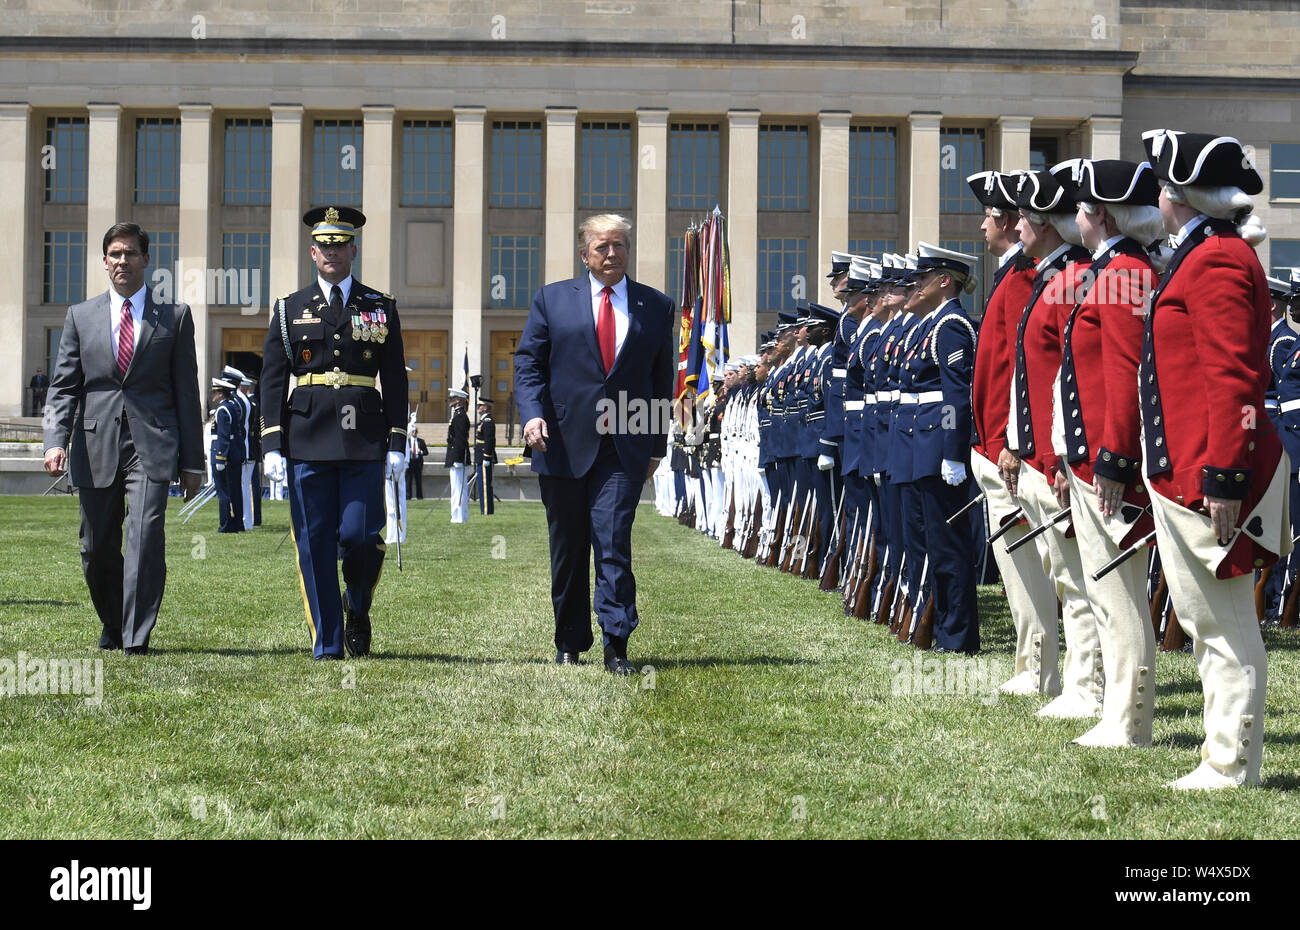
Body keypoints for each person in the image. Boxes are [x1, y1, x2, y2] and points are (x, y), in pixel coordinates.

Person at [1139, 129, 1284, 788]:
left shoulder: (1218, 261)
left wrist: (1224, 477)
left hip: (1211, 472)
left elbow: (1233, 378)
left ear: (1183, 196)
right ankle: (1221, 754)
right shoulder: (1203, 255)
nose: (1160, 196)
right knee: (1205, 619)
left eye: (1166, 186)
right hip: (1187, 467)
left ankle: (1233, 764)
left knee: (1224, 623)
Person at [515, 213, 675, 674]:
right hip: (561, 444)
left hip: (623, 447)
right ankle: (569, 640)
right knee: (568, 547)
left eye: (619, 245)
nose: (611, 254)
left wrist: (656, 447)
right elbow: (528, 365)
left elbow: (660, 381)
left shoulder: (655, 306)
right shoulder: (552, 300)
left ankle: (616, 643)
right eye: (601, 247)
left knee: (612, 542)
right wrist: (532, 416)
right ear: (584, 254)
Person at [42, 221, 204, 655]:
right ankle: (112, 621)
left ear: (146, 260)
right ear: (104, 261)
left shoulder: (174, 317)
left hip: (153, 444)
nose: (122, 261)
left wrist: (193, 462)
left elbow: (187, 392)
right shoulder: (80, 316)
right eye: (114, 254)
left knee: (145, 535)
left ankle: (136, 635)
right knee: (95, 547)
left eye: (130, 253)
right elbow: (63, 387)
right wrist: (55, 440)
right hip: (95, 444)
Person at [259, 206, 408, 660]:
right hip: (307, 436)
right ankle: (327, 643)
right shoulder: (290, 309)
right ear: (313, 252)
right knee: (315, 542)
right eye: (325, 245)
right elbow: (271, 379)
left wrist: (398, 439)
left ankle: (357, 605)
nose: (332, 252)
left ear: (353, 251)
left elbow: (395, 379)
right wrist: (270, 443)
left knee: (361, 534)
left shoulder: (379, 307)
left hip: (363, 438)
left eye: (340, 245)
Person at [1059, 158, 1164, 746]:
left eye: (1080, 205)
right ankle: (1114, 711)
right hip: (1088, 453)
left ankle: (1128, 720)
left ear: (1100, 212)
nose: (1073, 215)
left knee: (1120, 593)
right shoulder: (1110, 270)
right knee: (1103, 591)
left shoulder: (1125, 271)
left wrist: (1115, 460)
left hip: (1108, 459)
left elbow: (1127, 376)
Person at [965, 169, 1058, 693]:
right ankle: (1031, 662)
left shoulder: (1025, 276)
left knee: (1031, 562)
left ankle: (1040, 667)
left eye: (989, 215)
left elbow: (1021, 372)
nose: (983, 225)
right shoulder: (1012, 274)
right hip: (994, 441)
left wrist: (1006, 441)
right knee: (1015, 562)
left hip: (1009, 444)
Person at [901, 242, 980, 653]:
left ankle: (959, 635)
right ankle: (947, 629)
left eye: (923, 277)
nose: (916, 284)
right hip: (925, 448)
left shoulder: (950, 325)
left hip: (939, 451)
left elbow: (955, 397)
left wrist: (952, 452)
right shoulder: (933, 325)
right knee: (934, 544)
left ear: (944, 281)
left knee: (948, 548)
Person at [211, 375, 246, 533]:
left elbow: (224, 436)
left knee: (223, 491)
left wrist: (220, 457)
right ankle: (238, 522)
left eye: (215, 393)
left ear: (220, 394)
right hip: (235, 452)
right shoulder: (232, 406)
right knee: (235, 490)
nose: (213, 396)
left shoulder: (223, 409)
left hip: (227, 454)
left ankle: (225, 524)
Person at [445, 389, 471, 523]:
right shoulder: (457, 414)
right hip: (456, 456)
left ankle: (459, 517)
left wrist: (458, 458)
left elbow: (460, 439)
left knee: (459, 489)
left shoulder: (460, 416)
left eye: (453, 398)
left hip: (458, 457)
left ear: (458, 401)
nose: (450, 401)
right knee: (456, 489)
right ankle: (457, 516)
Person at [475, 398, 497, 515]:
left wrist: (487, 457)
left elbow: (489, 440)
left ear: (485, 408)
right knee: (482, 485)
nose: (478, 408)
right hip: (481, 456)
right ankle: (485, 510)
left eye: (480, 406)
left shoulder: (487, 421)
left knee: (484, 485)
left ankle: (487, 510)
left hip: (484, 457)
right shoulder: (483, 421)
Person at [407, 427, 428, 499]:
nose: (414, 433)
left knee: (418, 480)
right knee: (408, 480)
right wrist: (408, 451)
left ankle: (419, 496)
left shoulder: (421, 441)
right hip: (410, 462)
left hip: (418, 463)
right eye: (413, 431)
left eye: (415, 431)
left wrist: (421, 452)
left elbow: (426, 452)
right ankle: (408, 496)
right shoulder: (407, 441)